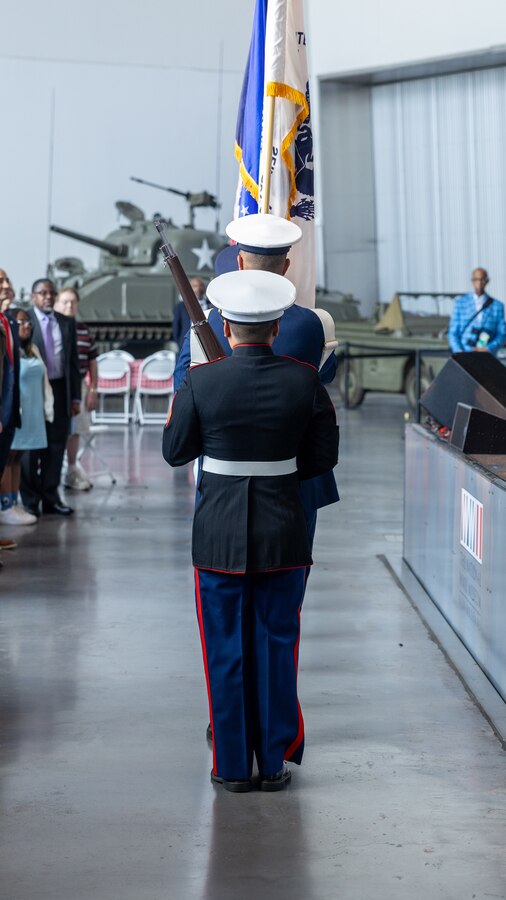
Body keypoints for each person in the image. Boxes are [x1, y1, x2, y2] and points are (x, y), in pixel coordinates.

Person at [163, 269, 339, 793]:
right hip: (283, 528)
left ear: (228, 326)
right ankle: (275, 761)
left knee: (224, 646)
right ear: (278, 326)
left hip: (217, 531)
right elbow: (321, 458)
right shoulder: (305, 380)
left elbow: (176, 453)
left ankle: (233, 766)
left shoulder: (202, 380)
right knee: (276, 643)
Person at [174, 214, 339, 545]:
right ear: (287, 264)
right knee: (287, 583)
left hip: (222, 477)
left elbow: (183, 388)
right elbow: (326, 377)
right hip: (295, 474)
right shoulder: (317, 324)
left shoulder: (207, 323)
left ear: (238, 261)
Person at [20, 278, 81, 516]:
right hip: (33, 391)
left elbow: (74, 363)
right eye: (42, 293)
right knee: (31, 448)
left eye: (50, 293)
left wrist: (75, 397)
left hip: (59, 390)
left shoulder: (66, 322)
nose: (47, 297)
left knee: (56, 447)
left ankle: (50, 497)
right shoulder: (24, 320)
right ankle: (29, 500)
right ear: (33, 297)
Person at [1, 309, 54, 525]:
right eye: (21, 322)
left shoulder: (32, 349)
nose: (26, 326)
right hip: (16, 408)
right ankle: (4, 504)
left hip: (33, 411)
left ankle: (14, 502)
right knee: (7, 457)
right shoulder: (9, 350)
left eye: (28, 323)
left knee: (17, 458)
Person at [54, 287, 98, 491]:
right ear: (56, 303)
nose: (69, 306)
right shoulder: (50, 327)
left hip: (78, 385)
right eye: (64, 301)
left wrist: (92, 390)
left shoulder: (82, 329)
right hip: (55, 385)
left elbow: (92, 361)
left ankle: (72, 469)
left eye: (73, 302)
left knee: (76, 430)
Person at [0, 270, 21, 554]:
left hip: (8, 406)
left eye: (6, 281)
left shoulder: (8, 320)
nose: (6, 285)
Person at [448, 268, 506, 355]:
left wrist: (489, 348)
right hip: (464, 355)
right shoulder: (460, 303)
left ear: (487, 281)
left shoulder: (497, 306)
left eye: (482, 279)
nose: (479, 282)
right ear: (472, 281)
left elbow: (502, 333)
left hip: (486, 357)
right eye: (476, 279)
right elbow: (452, 333)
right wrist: (459, 352)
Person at [171, 276, 210, 350]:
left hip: (206, 345)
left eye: (201, 286)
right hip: (186, 344)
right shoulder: (181, 306)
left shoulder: (210, 305)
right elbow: (176, 328)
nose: (198, 289)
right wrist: (180, 344)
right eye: (195, 286)